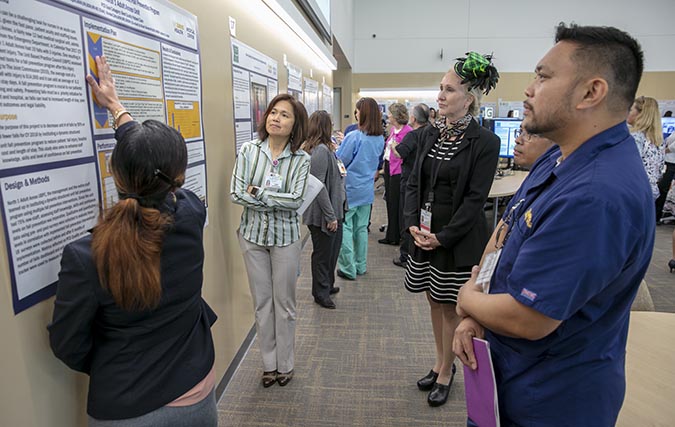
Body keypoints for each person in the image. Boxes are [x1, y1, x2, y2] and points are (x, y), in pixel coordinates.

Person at [453, 24, 653, 427]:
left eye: (543, 77)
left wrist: (466, 299)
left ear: (590, 92)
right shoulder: (561, 155)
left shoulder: (596, 194)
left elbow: (530, 318)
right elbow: (504, 232)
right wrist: (479, 309)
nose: (529, 89)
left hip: (551, 401)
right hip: (510, 376)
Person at [48, 56, 217, 426]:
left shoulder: (86, 256)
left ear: (114, 173)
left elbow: (67, 344)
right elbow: (157, 171)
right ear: (180, 178)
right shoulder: (190, 215)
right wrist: (119, 110)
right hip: (197, 394)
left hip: (126, 405)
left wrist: (114, 361)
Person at [403, 52, 500, 407]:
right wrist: (412, 225)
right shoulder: (430, 133)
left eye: (449, 90)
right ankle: (439, 361)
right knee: (433, 300)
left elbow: (475, 201)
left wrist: (441, 237)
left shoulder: (486, 143)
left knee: (449, 307)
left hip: (456, 238)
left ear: (469, 98)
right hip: (424, 233)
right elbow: (414, 182)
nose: (440, 96)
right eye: (440, 88)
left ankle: (446, 371)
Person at [230, 93, 310, 388]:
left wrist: (259, 193)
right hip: (252, 237)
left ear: (295, 123)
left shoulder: (301, 159)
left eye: (285, 115)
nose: (276, 118)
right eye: (273, 112)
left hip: (286, 239)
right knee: (262, 303)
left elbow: (296, 199)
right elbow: (236, 192)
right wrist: (275, 198)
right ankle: (268, 364)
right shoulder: (249, 150)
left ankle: (285, 364)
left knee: (284, 304)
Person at [336, 97, 385, 280]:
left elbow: (341, 160)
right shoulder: (379, 138)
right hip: (366, 189)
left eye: (357, 111)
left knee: (346, 227)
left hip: (350, 189)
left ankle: (348, 268)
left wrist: (336, 148)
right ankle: (361, 265)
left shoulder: (354, 137)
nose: (355, 114)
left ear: (361, 113)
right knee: (361, 228)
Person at [302, 110, 346, 309]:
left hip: (334, 211)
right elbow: (318, 187)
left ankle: (327, 285)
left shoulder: (328, 148)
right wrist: (330, 216)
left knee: (332, 252)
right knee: (322, 255)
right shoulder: (320, 151)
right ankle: (320, 292)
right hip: (323, 215)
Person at [393, 103, 430, 267]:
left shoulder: (412, 136)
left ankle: (405, 256)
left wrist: (393, 145)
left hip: (410, 181)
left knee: (407, 217)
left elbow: (401, 152)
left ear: (413, 118)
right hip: (427, 182)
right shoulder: (432, 133)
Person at [379, 103, 412, 245]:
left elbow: (402, 153)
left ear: (397, 116)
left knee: (397, 204)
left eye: (391, 114)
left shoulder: (408, 132)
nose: (389, 116)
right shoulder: (393, 129)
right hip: (389, 168)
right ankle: (391, 234)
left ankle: (396, 235)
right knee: (390, 203)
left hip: (398, 171)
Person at [628, 96, 664, 201]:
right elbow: (659, 171)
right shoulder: (658, 140)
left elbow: (628, 169)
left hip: (634, 193)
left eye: (630, 110)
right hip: (650, 193)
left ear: (640, 114)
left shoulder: (635, 138)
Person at [656, 123, 675, 221]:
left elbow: (673, 147)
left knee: (663, 188)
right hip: (668, 161)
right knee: (663, 188)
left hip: (672, 163)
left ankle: (658, 214)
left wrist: (662, 151)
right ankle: (657, 214)